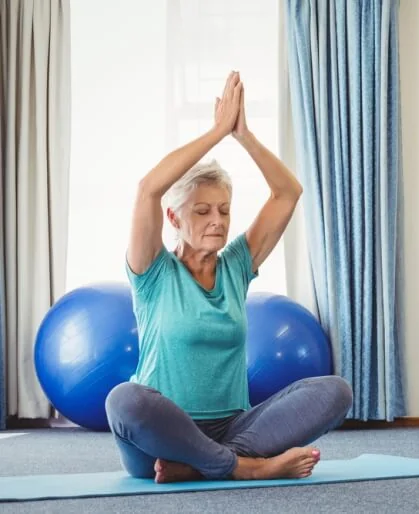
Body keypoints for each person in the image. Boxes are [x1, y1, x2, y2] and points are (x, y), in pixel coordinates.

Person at [105, 71, 353, 484]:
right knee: (124, 401)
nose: (217, 221)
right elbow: (148, 187)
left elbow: (288, 193)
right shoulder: (152, 270)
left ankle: (206, 464)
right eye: (202, 211)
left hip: (235, 429)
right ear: (174, 217)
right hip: (160, 438)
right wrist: (218, 130)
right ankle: (246, 468)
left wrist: (244, 136)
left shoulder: (236, 265)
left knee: (335, 391)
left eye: (223, 210)